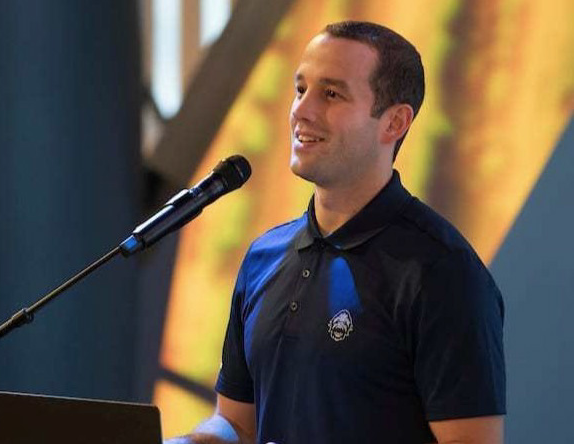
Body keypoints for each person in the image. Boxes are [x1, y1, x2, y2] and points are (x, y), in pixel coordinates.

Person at [166, 21, 505, 444]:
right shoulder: (263, 257)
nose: (302, 111)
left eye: (330, 94)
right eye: (300, 89)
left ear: (394, 122)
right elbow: (237, 423)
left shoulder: (442, 271)